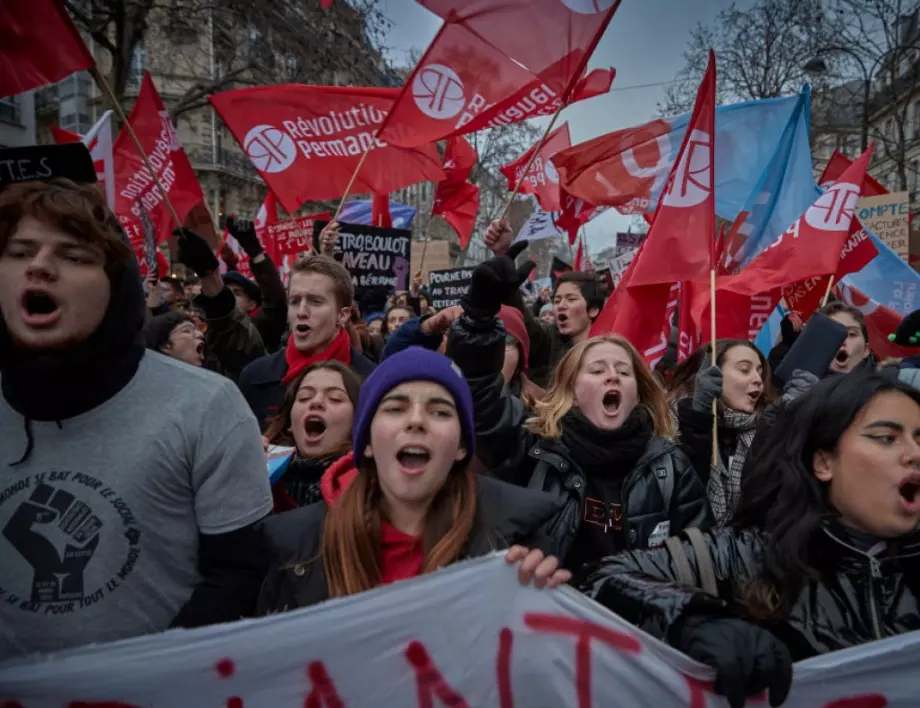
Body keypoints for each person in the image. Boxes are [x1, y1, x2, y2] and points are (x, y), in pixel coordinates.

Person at [0, 179, 272, 656]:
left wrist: (147, 680)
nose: (39, 267)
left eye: (74, 256)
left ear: (116, 284)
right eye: (19, 252)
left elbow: (239, 575)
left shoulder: (208, 406)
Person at [580, 371, 920, 708]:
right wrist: (691, 618)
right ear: (823, 462)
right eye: (886, 438)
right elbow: (602, 579)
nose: (913, 454)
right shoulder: (745, 555)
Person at [447, 247, 712, 573]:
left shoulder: (671, 467)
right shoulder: (533, 450)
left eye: (624, 372)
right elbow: (479, 396)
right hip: (547, 615)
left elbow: (698, 562)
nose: (612, 375)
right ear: (571, 389)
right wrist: (476, 318)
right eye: (598, 370)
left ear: (638, 392)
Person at [257, 347, 569, 612]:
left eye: (440, 412)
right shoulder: (295, 547)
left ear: (461, 446)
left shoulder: (520, 543)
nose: (416, 420)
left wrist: (540, 609)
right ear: (366, 441)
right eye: (395, 408)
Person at [239, 255, 376, 430]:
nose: (301, 312)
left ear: (343, 315)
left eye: (315, 302)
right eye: (295, 301)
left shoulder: (371, 381)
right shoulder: (255, 378)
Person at [670, 341, 773, 525]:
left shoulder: (766, 428)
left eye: (760, 371)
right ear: (710, 375)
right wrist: (698, 419)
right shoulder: (670, 424)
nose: (758, 379)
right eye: (744, 370)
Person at [263, 362, 362, 510]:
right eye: (304, 397)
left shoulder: (368, 489)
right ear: (290, 423)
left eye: (335, 398)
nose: (316, 402)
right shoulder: (266, 478)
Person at [222, 216, 289, 353]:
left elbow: (275, 299)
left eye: (236, 292)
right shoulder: (204, 333)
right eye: (224, 291)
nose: (228, 296)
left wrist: (255, 252)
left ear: (251, 304)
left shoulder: (259, 329)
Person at [821, 301, 872, 374]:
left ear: (866, 350)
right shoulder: (800, 381)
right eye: (832, 333)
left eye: (852, 334)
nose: (842, 340)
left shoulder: (882, 384)